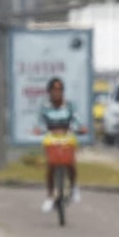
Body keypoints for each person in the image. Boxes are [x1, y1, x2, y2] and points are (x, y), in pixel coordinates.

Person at [35, 77, 85, 213]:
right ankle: (50, 196)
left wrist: (80, 128)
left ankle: (74, 187)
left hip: (67, 136)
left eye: (59, 90)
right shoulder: (45, 107)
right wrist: (39, 129)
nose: (57, 93)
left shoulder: (69, 105)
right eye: (54, 90)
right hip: (51, 137)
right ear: (49, 92)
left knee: (69, 162)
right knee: (51, 164)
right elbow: (40, 122)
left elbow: (77, 119)